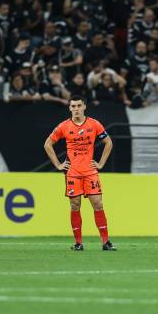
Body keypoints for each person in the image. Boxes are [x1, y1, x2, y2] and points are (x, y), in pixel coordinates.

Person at [43, 95, 115, 251]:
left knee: (98, 204)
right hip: (73, 172)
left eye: (78, 106)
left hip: (90, 172)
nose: (76, 109)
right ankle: (78, 243)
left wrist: (101, 163)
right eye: (73, 106)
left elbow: (108, 142)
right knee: (75, 205)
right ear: (69, 108)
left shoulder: (94, 124)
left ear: (84, 107)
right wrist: (58, 164)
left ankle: (105, 242)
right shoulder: (63, 126)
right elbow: (48, 144)